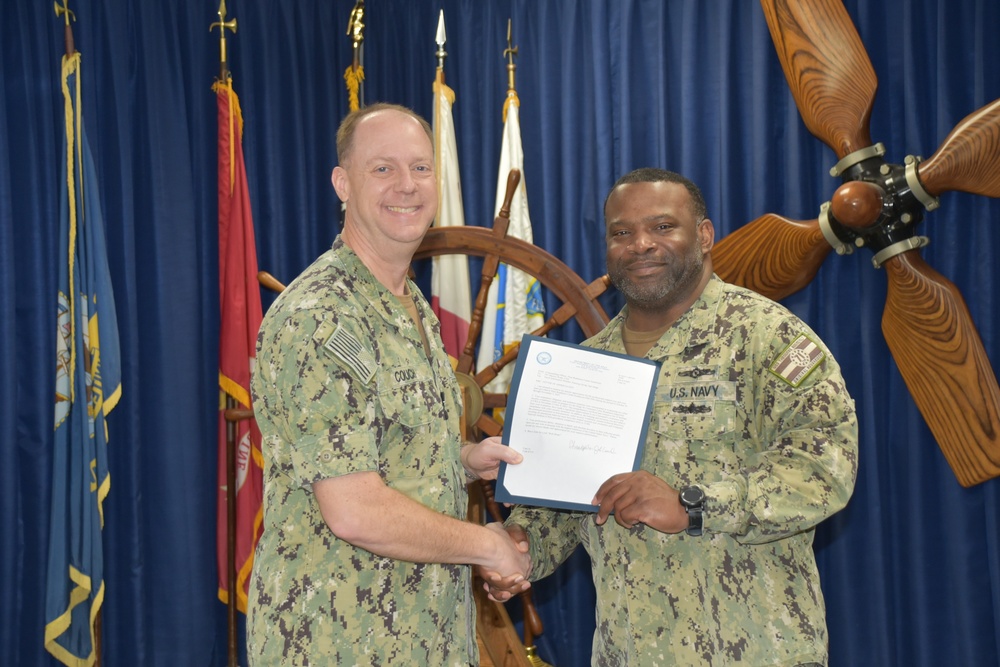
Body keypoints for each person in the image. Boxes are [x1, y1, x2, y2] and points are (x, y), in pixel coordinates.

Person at [486, 168, 858, 666]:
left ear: (703, 236)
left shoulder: (767, 339)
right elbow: (560, 503)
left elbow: (824, 470)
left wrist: (694, 504)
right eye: (622, 232)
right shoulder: (584, 365)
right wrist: (520, 546)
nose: (640, 244)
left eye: (663, 227)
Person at [248, 102, 530, 666]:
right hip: (339, 638)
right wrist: (486, 544)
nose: (407, 185)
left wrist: (463, 457)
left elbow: (386, 447)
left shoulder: (408, 302)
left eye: (421, 168)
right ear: (342, 183)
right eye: (383, 169)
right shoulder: (323, 315)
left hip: (424, 636)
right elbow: (354, 509)